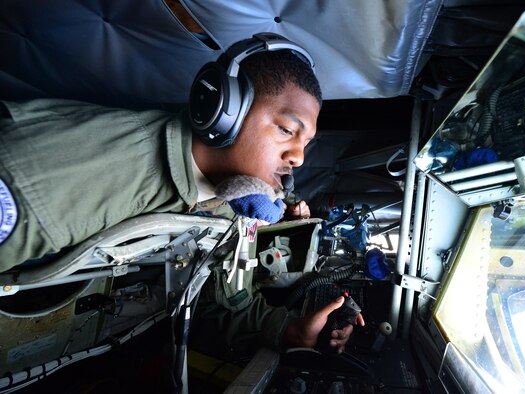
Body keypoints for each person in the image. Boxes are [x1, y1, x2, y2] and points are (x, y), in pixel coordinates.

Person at [0, 36, 362, 355]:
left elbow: (218, 300)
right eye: (286, 129)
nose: (298, 157)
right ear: (223, 111)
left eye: (305, 144)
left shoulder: (225, 204)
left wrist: (289, 330)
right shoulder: (80, 165)